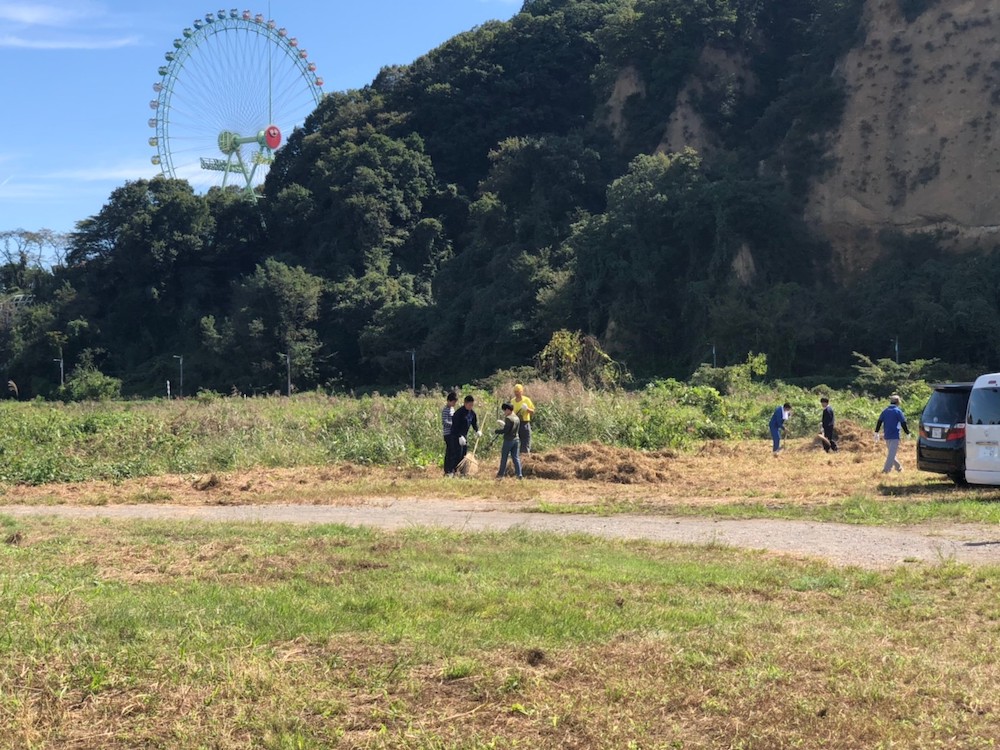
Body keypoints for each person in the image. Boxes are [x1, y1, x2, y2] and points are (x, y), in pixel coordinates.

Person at [875, 394, 910, 473]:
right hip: (895, 435)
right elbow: (903, 423)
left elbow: (879, 421)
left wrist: (876, 432)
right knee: (891, 454)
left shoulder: (885, 411)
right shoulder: (898, 411)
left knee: (891, 453)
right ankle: (886, 470)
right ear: (898, 402)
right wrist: (907, 433)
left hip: (887, 434)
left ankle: (899, 468)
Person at [450, 395, 481, 466]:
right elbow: (455, 426)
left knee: (463, 453)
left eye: (472, 405)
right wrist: (459, 436)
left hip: (464, 435)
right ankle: (454, 471)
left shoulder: (472, 413)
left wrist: (477, 431)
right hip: (456, 436)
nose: (471, 406)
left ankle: (461, 471)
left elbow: (474, 423)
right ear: (465, 403)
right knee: (457, 454)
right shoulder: (459, 413)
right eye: (469, 405)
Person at [494, 402, 523, 479]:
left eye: (504, 411)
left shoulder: (508, 418)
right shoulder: (517, 418)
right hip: (516, 440)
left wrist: (497, 431)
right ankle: (519, 474)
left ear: (507, 410)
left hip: (508, 440)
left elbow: (506, 430)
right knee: (516, 457)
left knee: (504, 457)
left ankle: (500, 474)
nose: (504, 413)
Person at [512, 383, 535, 453]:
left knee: (525, 442)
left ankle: (525, 458)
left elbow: (532, 412)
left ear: (521, 392)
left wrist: (527, 409)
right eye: (515, 392)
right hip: (516, 424)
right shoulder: (512, 401)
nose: (517, 393)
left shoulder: (526, 400)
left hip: (524, 423)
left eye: (518, 392)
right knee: (515, 442)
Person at [441, 392, 459, 476]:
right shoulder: (446, 409)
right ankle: (448, 470)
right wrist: (453, 424)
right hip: (448, 433)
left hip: (453, 433)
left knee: (452, 451)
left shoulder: (452, 409)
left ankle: (451, 469)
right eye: (453, 402)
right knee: (450, 451)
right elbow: (445, 422)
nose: (454, 404)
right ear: (449, 401)